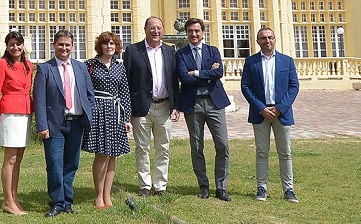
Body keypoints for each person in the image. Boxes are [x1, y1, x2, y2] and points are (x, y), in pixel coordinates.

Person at [33, 29, 95, 217]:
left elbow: (89, 95)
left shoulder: (80, 67)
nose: (64, 48)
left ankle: (67, 202)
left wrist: (89, 115)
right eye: (60, 44)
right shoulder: (45, 68)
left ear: (72, 47)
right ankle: (57, 203)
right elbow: (39, 100)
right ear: (54, 45)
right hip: (54, 125)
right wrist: (42, 125)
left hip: (76, 123)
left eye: (67, 45)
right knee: (54, 164)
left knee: (71, 164)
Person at [241, 27, 300, 203]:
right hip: (261, 114)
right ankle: (261, 188)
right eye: (263, 38)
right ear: (258, 41)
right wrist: (261, 108)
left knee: (285, 153)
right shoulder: (251, 62)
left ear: (275, 39)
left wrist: (280, 108)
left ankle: (288, 190)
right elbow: (246, 87)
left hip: (281, 113)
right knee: (261, 152)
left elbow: (293, 86)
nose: (267, 41)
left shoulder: (286, 61)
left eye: (270, 37)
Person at [175, 18, 231, 201]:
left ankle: (221, 187)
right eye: (190, 31)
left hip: (214, 102)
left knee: (222, 144)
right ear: (186, 32)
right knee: (197, 146)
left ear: (202, 32)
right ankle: (204, 185)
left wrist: (197, 73)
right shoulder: (181, 54)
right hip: (193, 103)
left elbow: (218, 73)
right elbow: (184, 77)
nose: (193, 34)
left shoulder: (213, 51)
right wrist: (208, 75)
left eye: (197, 31)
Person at [124, 16, 180, 197]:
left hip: (164, 106)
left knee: (163, 147)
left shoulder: (170, 51)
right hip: (142, 108)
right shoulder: (133, 51)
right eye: (152, 28)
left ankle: (161, 185)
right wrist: (129, 110)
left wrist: (176, 106)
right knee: (142, 147)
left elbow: (174, 80)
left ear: (163, 30)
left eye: (159, 28)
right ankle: (145, 185)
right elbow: (127, 82)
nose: (156, 31)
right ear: (145, 29)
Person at [83, 31, 132, 209]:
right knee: (102, 154)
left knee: (112, 155)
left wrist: (127, 118)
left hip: (115, 112)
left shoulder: (120, 67)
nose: (109, 46)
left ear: (116, 46)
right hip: (99, 111)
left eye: (112, 43)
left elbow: (124, 93)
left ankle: (107, 195)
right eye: (106, 43)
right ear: (100, 46)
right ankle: (98, 195)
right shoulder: (90, 65)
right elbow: (84, 90)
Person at [0, 31, 33, 215]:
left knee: (19, 159)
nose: (15, 47)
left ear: (23, 45)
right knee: (10, 159)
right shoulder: (1, 64)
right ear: (7, 47)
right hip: (9, 114)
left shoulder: (28, 65)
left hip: (25, 113)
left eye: (18, 44)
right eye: (12, 44)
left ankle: (14, 198)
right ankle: (7, 201)